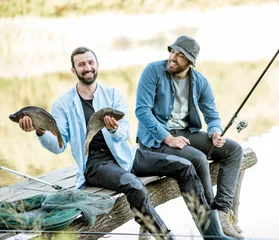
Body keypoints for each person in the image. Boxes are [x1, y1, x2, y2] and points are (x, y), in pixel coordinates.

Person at [17, 47, 236, 240]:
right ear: (74, 70)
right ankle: (165, 236)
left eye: (90, 62)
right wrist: (40, 131)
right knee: (134, 185)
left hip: (126, 154)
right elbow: (58, 146)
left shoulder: (113, 94)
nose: (87, 67)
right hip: (96, 164)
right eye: (81, 64)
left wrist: (114, 129)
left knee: (185, 166)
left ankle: (211, 234)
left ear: (97, 65)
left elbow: (125, 135)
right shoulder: (63, 104)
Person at [135, 35, 244, 238]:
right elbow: (142, 111)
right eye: (172, 52)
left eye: (180, 56)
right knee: (197, 158)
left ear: (190, 62)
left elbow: (212, 115)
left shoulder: (200, 81)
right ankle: (212, 229)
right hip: (155, 139)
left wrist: (214, 131)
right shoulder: (153, 71)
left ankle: (221, 212)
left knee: (234, 150)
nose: (173, 58)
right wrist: (167, 138)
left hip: (186, 133)